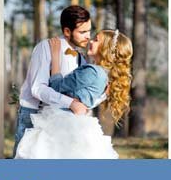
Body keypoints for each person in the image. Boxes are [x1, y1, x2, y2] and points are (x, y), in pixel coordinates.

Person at [16, 28, 133, 160]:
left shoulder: (92, 71)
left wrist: (55, 57)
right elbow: (85, 103)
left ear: (105, 48)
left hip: (63, 122)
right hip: (81, 122)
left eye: (96, 40)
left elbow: (56, 87)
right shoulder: (106, 76)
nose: (90, 41)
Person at [13, 3, 93, 153]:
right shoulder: (46, 48)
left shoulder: (81, 57)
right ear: (67, 31)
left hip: (61, 119)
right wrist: (70, 103)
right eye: (83, 32)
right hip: (34, 116)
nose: (88, 36)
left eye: (89, 31)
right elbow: (38, 88)